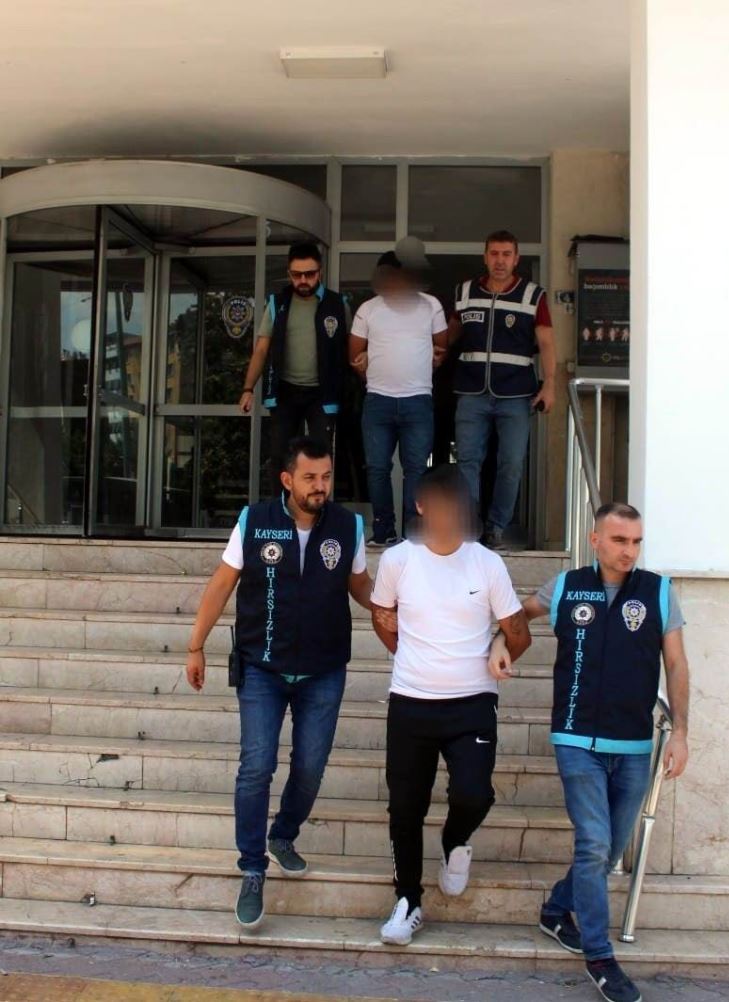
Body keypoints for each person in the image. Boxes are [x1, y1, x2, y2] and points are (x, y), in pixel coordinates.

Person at [490, 502, 690, 1002]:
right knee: (595, 843)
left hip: (634, 744)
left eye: (636, 541)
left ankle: (558, 908)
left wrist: (681, 732)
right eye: (619, 540)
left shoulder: (659, 591)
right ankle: (600, 957)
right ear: (595, 539)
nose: (629, 551)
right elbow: (520, 615)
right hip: (576, 738)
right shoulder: (566, 586)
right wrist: (499, 641)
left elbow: (676, 663)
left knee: (607, 850)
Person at [185, 436, 372, 930]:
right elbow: (222, 583)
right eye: (310, 478)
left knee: (309, 768)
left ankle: (283, 833)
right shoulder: (254, 521)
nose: (320, 486)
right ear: (287, 480)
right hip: (262, 667)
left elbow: (360, 586)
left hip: (323, 668)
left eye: (326, 477)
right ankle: (252, 868)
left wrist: (395, 611)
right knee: (256, 767)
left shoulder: (348, 526)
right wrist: (195, 645)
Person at [370, 464, 532, 946]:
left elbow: (519, 631)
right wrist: (410, 657)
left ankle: (454, 841)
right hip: (411, 701)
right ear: (420, 507)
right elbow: (382, 616)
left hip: (473, 701)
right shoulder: (398, 560)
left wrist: (501, 645)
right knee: (405, 806)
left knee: (474, 794)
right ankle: (408, 901)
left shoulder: (487, 564)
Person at [449, 230, 556, 550]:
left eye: (506, 254)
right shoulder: (464, 292)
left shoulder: (533, 295)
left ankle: (496, 528)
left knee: (511, 463)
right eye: (494, 253)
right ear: (485, 257)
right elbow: (448, 337)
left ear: (516, 258)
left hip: (516, 395)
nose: (500, 260)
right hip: (471, 392)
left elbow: (547, 342)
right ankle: (469, 528)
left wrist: (550, 384)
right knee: (467, 462)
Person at [349, 247, 447, 546]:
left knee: (416, 469)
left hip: (418, 400)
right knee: (377, 468)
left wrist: (423, 365)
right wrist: (373, 375)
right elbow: (354, 356)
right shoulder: (368, 309)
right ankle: (383, 531)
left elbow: (441, 349)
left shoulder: (431, 305)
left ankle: (413, 535)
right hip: (378, 400)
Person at [239, 243, 349, 494]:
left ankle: (318, 511)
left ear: (320, 272)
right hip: (285, 391)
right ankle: (281, 511)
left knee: (321, 457)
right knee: (280, 456)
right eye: (297, 274)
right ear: (289, 274)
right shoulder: (277, 304)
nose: (303, 280)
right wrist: (248, 388)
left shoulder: (337, 304)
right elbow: (261, 349)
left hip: (323, 393)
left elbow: (351, 346)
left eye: (309, 274)